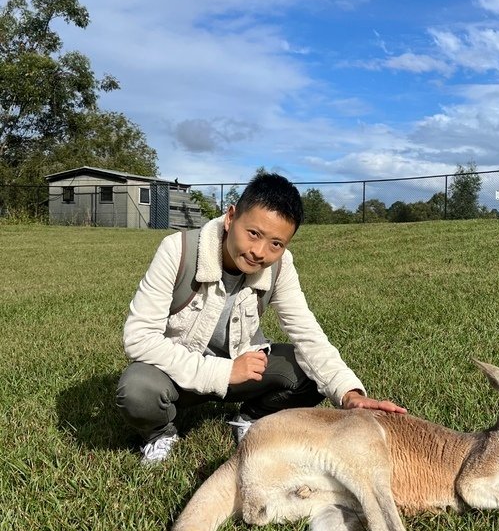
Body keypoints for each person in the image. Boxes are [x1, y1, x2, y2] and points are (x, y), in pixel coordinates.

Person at [117, 172, 406, 465]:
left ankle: (252, 417)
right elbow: (139, 337)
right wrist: (223, 372)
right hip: (180, 377)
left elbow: (307, 333)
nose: (259, 252)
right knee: (138, 388)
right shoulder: (178, 250)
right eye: (253, 233)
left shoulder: (280, 267)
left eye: (276, 244)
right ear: (231, 218)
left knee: (309, 372)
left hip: (245, 368)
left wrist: (349, 393)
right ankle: (160, 433)